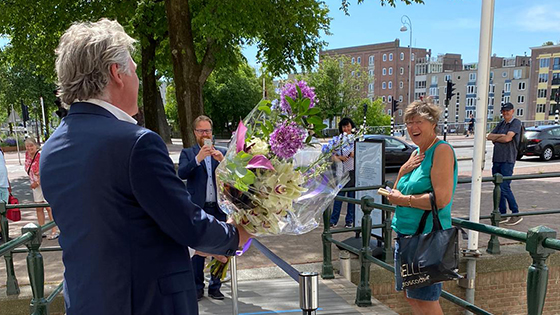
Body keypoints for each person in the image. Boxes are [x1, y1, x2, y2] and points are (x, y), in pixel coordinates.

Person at [40, 19, 250, 315]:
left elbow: (117, 230)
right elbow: (186, 221)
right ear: (117, 73)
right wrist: (237, 235)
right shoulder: (136, 143)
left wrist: (194, 246)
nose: (139, 80)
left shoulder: (52, 148)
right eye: (136, 70)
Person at [387, 98, 457, 315]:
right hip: (406, 235)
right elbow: (396, 192)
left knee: (427, 301)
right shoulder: (415, 154)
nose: (413, 128)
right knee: (412, 297)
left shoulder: (441, 150)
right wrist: (402, 170)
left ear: (433, 123)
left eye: (418, 122)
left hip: (426, 238)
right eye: (409, 122)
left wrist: (404, 201)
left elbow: (442, 199)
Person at [178, 115, 227, 301]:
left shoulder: (221, 152)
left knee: (221, 246)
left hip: (219, 208)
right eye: (201, 131)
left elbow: (234, 177)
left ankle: (216, 286)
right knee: (198, 248)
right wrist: (198, 159)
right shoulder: (188, 153)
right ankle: (197, 286)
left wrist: (223, 161)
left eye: (208, 131)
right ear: (195, 133)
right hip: (198, 207)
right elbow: (181, 173)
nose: (205, 134)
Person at [486, 102, 523, 226]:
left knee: (504, 187)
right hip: (497, 159)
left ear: (513, 111)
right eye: (504, 111)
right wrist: (500, 136)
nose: (505, 113)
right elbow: (488, 136)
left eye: (508, 111)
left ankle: (515, 213)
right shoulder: (501, 124)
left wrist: (499, 138)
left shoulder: (516, 123)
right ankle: (502, 213)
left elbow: (508, 138)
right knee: (498, 187)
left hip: (508, 159)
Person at [25, 138, 58, 240]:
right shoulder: (27, 155)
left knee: (48, 207)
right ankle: (42, 229)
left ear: (36, 145)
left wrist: (38, 182)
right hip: (34, 185)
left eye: (31, 146)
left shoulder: (40, 155)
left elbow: (46, 169)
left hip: (43, 183)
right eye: (27, 146)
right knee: (39, 207)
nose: (29, 148)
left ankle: (54, 230)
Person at [330, 117, 356, 229]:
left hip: (352, 171)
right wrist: (338, 157)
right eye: (344, 126)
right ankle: (333, 220)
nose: (346, 129)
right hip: (340, 172)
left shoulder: (356, 139)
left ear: (352, 127)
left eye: (348, 126)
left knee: (352, 197)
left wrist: (355, 153)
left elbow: (362, 153)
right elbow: (331, 155)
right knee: (339, 196)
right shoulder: (337, 140)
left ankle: (349, 220)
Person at [0, 147, 8, 242]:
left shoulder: (1, 151)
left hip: (4, 184)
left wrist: (8, 182)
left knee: (4, 210)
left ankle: (4, 233)